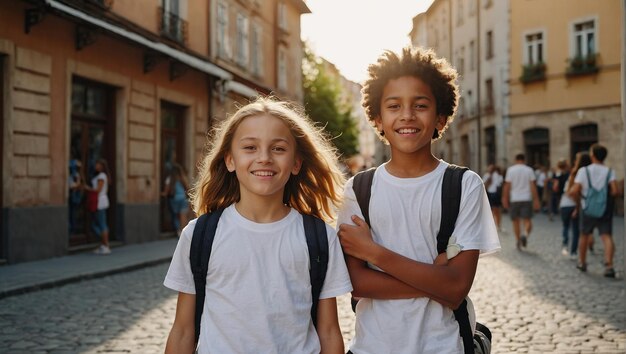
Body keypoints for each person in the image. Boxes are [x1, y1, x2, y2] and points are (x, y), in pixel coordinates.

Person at [336, 46, 501, 354]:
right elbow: (358, 283)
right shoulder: (359, 189)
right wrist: (436, 280)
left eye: (420, 105)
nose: (407, 115)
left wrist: (375, 252)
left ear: (441, 117)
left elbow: (456, 287)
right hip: (373, 347)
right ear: (377, 118)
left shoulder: (464, 186)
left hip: (443, 346)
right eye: (394, 106)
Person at [163, 97, 352, 354]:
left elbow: (329, 332)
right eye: (250, 147)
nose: (264, 158)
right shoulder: (199, 234)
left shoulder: (319, 238)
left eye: (278, 149)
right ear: (230, 160)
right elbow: (183, 330)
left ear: (296, 163)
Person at [570, 144, 619, 278]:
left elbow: (574, 190)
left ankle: (582, 262)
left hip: (587, 207)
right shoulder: (610, 171)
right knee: (606, 236)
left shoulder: (584, 171)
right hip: (604, 208)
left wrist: (578, 199)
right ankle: (609, 266)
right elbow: (615, 190)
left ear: (592, 155)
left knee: (584, 235)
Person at [502, 154, 541, 250]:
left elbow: (507, 186)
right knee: (527, 221)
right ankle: (525, 234)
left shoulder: (511, 170)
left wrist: (505, 198)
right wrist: (536, 200)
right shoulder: (529, 170)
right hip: (526, 198)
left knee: (516, 221)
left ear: (516, 160)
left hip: (515, 199)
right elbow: (533, 186)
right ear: (524, 160)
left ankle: (518, 240)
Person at [560, 153, 590, 258]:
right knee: (576, 230)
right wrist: (577, 207)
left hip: (566, 204)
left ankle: (565, 245)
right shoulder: (581, 173)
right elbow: (572, 192)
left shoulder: (574, 173)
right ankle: (573, 251)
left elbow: (568, 191)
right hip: (575, 204)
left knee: (566, 226)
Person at [84, 158, 111, 255]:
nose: (96, 166)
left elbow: (98, 190)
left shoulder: (101, 176)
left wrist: (87, 188)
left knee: (101, 224)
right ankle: (103, 244)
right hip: (100, 201)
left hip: (100, 202)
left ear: (102, 166)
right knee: (97, 223)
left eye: (98, 164)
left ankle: (106, 245)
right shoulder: (101, 176)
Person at [161, 163, 190, 236]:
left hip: (174, 200)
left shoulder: (169, 179)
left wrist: (161, 194)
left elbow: (166, 192)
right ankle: (183, 232)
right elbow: (187, 188)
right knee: (183, 216)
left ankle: (178, 231)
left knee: (175, 216)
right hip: (183, 199)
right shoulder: (183, 178)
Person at [483, 164, 504, 232]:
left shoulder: (487, 175)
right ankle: (498, 226)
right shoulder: (497, 175)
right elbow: (500, 183)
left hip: (489, 194)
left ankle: (491, 226)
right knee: (497, 211)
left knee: (491, 211)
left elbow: (483, 184)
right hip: (495, 194)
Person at [68, 158, 83, 234]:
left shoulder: (75, 174)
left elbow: (77, 184)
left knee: (72, 213)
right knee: (71, 213)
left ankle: (72, 229)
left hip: (74, 196)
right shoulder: (71, 174)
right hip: (71, 196)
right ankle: (71, 229)